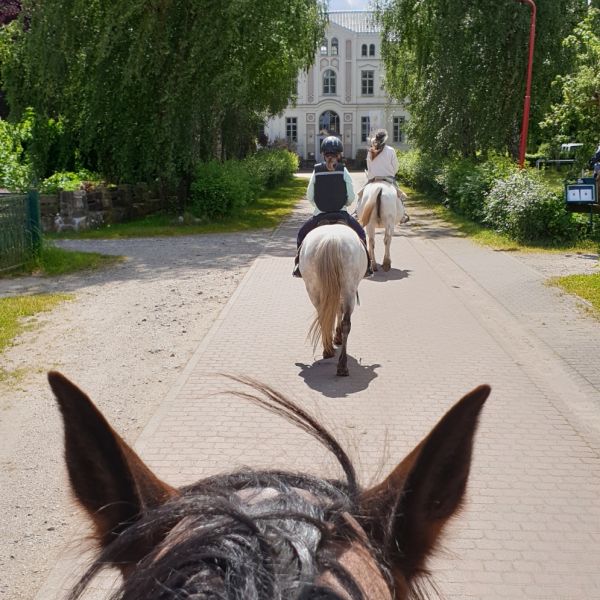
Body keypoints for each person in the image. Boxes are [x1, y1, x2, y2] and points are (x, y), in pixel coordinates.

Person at [293, 136, 372, 278]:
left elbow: (310, 195)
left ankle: (298, 267)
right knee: (361, 234)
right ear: (339, 155)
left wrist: (318, 207)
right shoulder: (344, 171)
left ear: (323, 154)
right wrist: (345, 204)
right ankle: (367, 267)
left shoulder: (316, 171)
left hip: (320, 215)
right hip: (341, 215)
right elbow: (351, 196)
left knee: (301, 235)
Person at [355, 129, 409, 222]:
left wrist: (371, 176)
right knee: (399, 196)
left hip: (374, 179)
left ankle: (356, 212)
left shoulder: (371, 151)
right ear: (386, 139)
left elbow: (369, 168)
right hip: (388, 179)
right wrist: (392, 174)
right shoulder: (391, 150)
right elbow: (396, 166)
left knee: (361, 195)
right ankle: (403, 214)